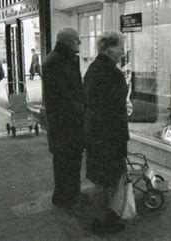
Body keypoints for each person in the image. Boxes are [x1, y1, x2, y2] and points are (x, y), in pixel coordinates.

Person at [83, 31, 129, 234]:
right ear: (110, 49)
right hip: (109, 136)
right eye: (120, 47)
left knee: (100, 179)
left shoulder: (93, 69)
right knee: (109, 179)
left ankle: (100, 218)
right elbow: (116, 110)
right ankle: (105, 221)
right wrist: (121, 139)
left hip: (95, 133)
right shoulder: (112, 73)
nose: (122, 51)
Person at [42, 28, 85, 212]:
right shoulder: (55, 61)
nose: (80, 42)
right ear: (68, 41)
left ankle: (72, 192)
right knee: (64, 160)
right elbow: (62, 96)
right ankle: (63, 196)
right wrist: (79, 108)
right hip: (63, 122)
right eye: (77, 39)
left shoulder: (67, 58)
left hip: (69, 120)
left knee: (72, 158)